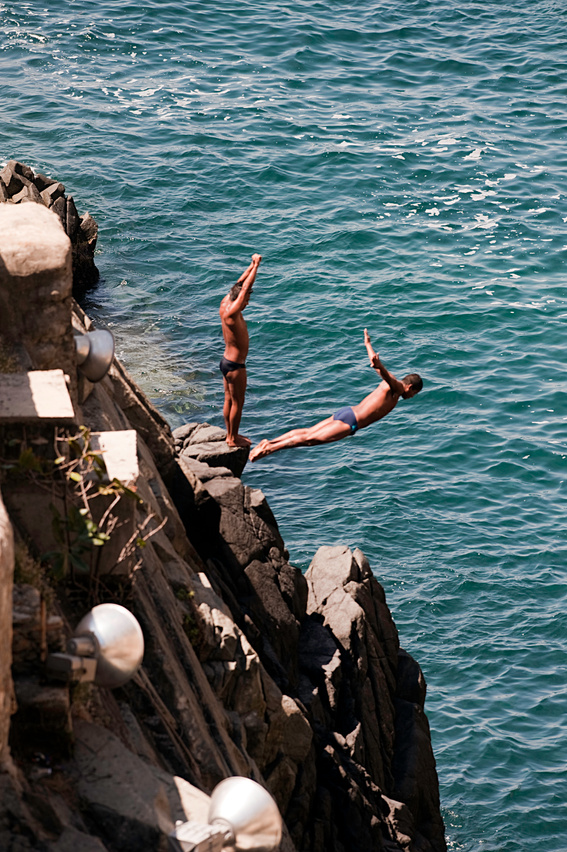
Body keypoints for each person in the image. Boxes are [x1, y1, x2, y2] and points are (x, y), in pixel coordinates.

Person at [249, 328, 422, 461]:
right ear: (410, 387)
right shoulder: (398, 388)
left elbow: (380, 371)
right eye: (414, 394)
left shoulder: (390, 383)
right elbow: (383, 372)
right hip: (351, 423)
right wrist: (379, 365)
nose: (412, 397)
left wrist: (368, 346)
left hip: (347, 412)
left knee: (307, 433)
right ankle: (268, 449)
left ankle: (269, 443)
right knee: (309, 439)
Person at [219, 253, 262, 447]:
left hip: (225, 362)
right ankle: (232, 438)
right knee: (238, 402)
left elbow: (240, 285)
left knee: (229, 399)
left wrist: (251, 265)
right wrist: (258, 266)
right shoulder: (232, 313)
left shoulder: (225, 303)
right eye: (245, 301)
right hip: (236, 366)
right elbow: (243, 290)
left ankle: (229, 434)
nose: (247, 303)